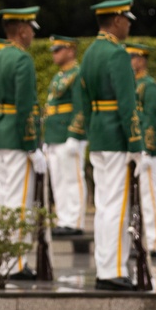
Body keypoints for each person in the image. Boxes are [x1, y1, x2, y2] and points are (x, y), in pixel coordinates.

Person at [79, 0, 148, 291]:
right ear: (117, 21)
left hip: (98, 136)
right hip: (117, 140)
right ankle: (114, 270)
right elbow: (127, 103)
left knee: (104, 206)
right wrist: (136, 143)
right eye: (127, 20)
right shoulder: (117, 54)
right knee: (117, 207)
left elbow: (83, 99)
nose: (129, 25)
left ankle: (104, 268)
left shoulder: (90, 53)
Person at [0, 7, 46, 280]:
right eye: (31, 29)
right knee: (19, 202)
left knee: (5, 199)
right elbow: (25, 108)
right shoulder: (22, 60)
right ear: (22, 30)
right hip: (16, 138)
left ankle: (4, 258)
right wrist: (32, 145)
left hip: (1, 133)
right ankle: (15, 262)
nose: (33, 34)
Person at [44, 35, 87, 236]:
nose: (54, 54)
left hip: (68, 135)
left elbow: (80, 107)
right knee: (58, 180)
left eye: (58, 49)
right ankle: (63, 219)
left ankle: (75, 221)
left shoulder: (77, 74)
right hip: (54, 135)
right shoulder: (60, 76)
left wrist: (74, 134)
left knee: (73, 178)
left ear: (71, 50)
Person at [127, 42, 156, 258]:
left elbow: (151, 119)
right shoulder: (131, 85)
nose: (130, 61)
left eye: (132, 57)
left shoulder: (149, 86)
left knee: (149, 196)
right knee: (136, 198)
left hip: (147, 150)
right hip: (134, 149)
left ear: (141, 59)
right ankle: (139, 240)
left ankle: (154, 243)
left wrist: (147, 149)